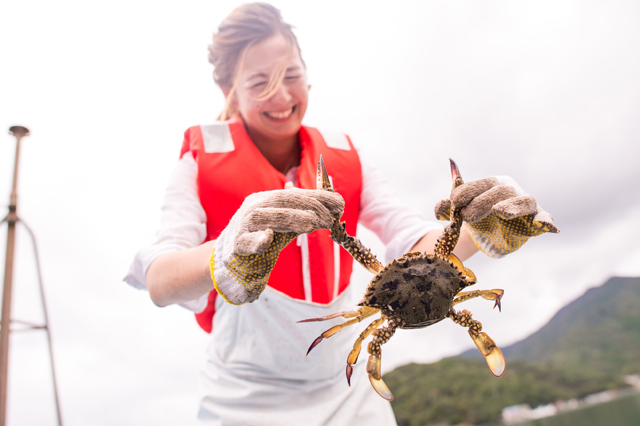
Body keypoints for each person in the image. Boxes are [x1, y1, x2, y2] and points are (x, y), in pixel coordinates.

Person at [124, 3, 557, 425]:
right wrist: (222, 258)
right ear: (228, 92)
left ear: (308, 77)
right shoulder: (198, 163)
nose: (281, 95)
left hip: (346, 390)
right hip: (244, 398)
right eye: (260, 83)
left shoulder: (346, 157)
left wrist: (482, 230)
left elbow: (410, 240)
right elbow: (159, 278)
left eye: (291, 76)